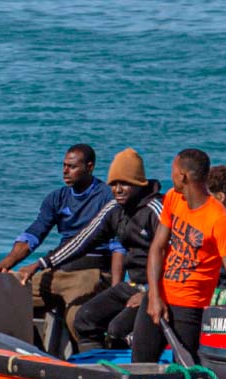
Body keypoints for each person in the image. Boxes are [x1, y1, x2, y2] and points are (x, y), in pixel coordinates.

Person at [137, 148, 226, 363]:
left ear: (183, 175)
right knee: (141, 365)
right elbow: (158, 248)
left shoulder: (218, 219)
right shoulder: (173, 198)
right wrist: (154, 295)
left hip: (189, 307)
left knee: (185, 372)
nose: (171, 175)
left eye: (173, 170)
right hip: (158, 295)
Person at [36, 148, 161, 349]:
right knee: (85, 319)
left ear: (139, 184)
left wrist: (151, 293)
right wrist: (42, 263)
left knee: (116, 329)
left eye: (124, 184)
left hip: (158, 288)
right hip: (132, 286)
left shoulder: (156, 210)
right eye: (113, 184)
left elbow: (179, 256)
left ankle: (126, 366)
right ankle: (95, 366)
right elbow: (82, 241)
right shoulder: (114, 209)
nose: (118, 190)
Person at [0, 144, 117, 333]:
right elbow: (34, 234)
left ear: (89, 167)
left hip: (91, 271)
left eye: (72, 167)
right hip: (58, 269)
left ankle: (91, 358)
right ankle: (33, 351)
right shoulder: (57, 198)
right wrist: (7, 262)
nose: (65, 171)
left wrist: (115, 288)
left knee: (79, 322)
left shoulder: (107, 196)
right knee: (7, 298)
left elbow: (119, 247)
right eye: (64, 165)